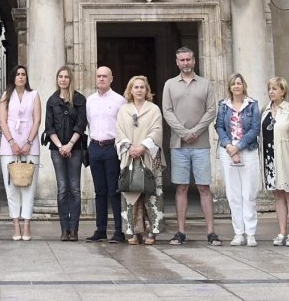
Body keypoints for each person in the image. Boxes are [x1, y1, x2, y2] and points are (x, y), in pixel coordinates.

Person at [161, 46, 220, 246]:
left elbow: (211, 111)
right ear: (177, 62)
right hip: (179, 144)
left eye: (188, 59)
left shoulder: (205, 84)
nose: (185, 63)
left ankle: (211, 232)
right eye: (182, 60)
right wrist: (184, 133)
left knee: (204, 186)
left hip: (201, 143)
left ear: (194, 61)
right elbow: (167, 112)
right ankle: (180, 231)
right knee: (181, 187)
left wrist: (195, 131)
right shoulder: (170, 85)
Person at [116, 75, 165, 245]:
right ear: (130, 90)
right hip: (129, 158)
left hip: (149, 157)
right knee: (131, 193)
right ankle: (133, 232)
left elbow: (157, 131)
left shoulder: (153, 109)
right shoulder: (124, 110)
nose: (139, 90)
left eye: (142, 87)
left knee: (152, 194)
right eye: (135, 87)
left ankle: (152, 232)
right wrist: (130, 148)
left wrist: (142, 148)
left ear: (147, 90)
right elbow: (119, 131)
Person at [214, 73, 261, 247]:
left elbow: (255, 129)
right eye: (233, 83)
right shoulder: (223, 106)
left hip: (248, 151)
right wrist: (229, 147)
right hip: (228, 152)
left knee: (248, 194)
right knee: (233, 194)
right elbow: (219, 126)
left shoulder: (252, 105)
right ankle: (238, 233)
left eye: (239, 83)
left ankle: (250, 233)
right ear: (230, 87)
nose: (236, 86)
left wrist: (238, 146)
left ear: (243, 86)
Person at [44, 66, 87, 241]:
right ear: (57, 79)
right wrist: (60, 146)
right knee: (62, 189)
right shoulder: (52, 100)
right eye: (60, 76)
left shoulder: (79, 99)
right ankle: (64, 229)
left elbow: (81, 124)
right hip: (56, 149)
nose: (63, 79)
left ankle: (74, 229)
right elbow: (49, 127)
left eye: (66, 77)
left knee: (75, 189)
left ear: (71, 79)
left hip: (75, 148)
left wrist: (69, 145)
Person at [0, 64, 41, 241]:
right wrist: (12, 142)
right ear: (13, 77)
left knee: (29, 186)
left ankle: (27, 225)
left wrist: (29, 142)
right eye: (18, 74)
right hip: (9, 144)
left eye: (23, 74)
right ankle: (15, 224)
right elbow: (2, 121)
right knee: (12, 187)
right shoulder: (6, 96)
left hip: (30, 144)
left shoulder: (34, 95)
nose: (21, 77)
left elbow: (37, 120)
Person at [85, 65, 127, 243]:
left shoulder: (120, 100)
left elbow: (123, 125)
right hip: (95, 147)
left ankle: (119, 231)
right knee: (99, 191)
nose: (101, 79)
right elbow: (88, 123)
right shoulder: (90, 100)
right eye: (98, 76)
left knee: (114, 191)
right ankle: (100, 229)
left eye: (105, 76)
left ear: (111, 79)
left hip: (112, 148)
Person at [261, 76, 289, 246]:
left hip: (287, 156)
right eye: (270, 88)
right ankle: (282, 231)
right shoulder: (265, 111)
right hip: (269, 158)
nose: (271, 91)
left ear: (283, 91)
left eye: (275, 88)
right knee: (277, 195)